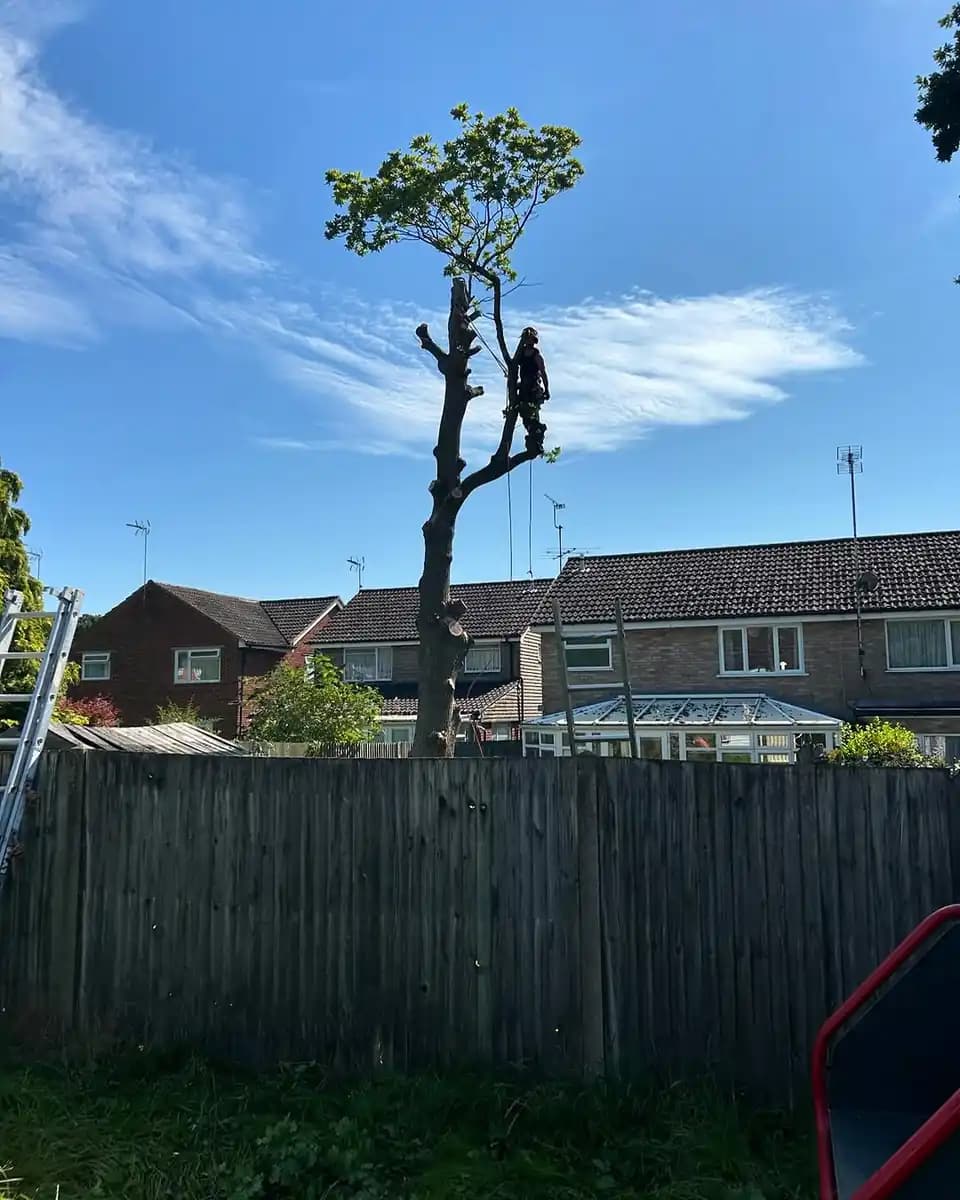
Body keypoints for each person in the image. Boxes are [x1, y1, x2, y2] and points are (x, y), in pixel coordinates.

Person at [513, 327, 549, 454]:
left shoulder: (536, 355)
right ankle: (535, 438)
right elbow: (514, 365)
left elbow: (543, 373)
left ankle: (537, 441)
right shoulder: (521, 353)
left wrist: (547, 389)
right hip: (524, 388)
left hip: (533, 389)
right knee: (525, 417)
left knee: (532, 416)